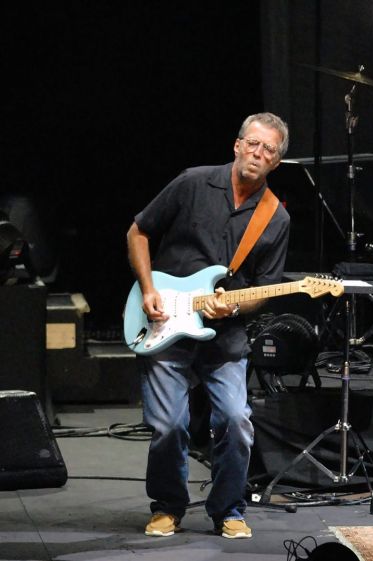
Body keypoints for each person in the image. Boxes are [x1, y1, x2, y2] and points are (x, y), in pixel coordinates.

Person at [126, 112, 291, 539]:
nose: (258, 153)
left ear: (276, 161)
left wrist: (233, 308)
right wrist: (148, 289)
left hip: (225, 337)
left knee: (236, 421)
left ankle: (229, 509)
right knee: (168, 425)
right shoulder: (193, 182)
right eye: (252, 143)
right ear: (237, 145)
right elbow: (138, 232)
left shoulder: (275, 217)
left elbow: (263, 290)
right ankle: (168, 506)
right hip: (165, 321)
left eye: (268, 149)